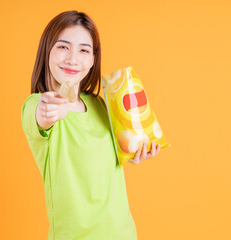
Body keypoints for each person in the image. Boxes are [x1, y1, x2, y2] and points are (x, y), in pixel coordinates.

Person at [21, 10, 161, 240]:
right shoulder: (37, 104)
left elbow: (103, 162)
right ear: (47, 51)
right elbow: (41, 116)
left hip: (123, 233)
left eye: (84, 50)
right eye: (63, 47)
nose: (72, 59)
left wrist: (131, 154)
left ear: (93, 59)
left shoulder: (98, 104)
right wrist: (48, 110)